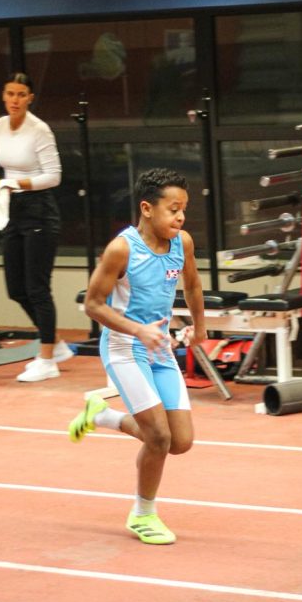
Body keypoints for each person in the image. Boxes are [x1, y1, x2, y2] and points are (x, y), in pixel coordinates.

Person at [67, 168, 207, 544]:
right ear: (147, 208)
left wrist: (200, 327)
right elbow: (93, 304)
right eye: (173, 209)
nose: (180, 217)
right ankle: (143, 514)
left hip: (159, 350)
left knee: (180, 442)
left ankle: (101, 416)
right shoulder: (122, 249)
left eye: (184, 209)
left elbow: (193, 285)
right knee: (158, 437)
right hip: (124, 349)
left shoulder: (182, 243)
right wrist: (137, 330)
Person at [0, 72, 73, 382]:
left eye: (21, 94)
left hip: (39, 210)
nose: (15, 100)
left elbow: (53, 177)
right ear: (3, 96)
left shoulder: (40, 130)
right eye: (10, 93)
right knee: (16, 289)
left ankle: (47, 360)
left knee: (37, 288)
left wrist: (16, 182)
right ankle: (56, 343)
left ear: (30, 98)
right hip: (10, 208)